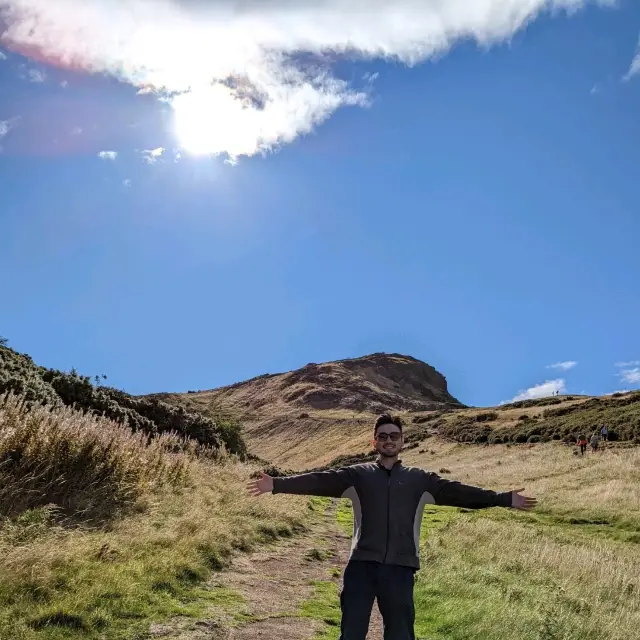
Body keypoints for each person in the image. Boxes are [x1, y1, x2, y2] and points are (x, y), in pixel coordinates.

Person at [247, 414, 537, 640]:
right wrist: (277, 484)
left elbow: (461, 492)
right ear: (374, 442)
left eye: (394, 436)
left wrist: (503, 499)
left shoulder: (420, 480)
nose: (388, 440)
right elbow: (320, 480)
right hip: (361, 566)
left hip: (400, 569)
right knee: (351, 632)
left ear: (402, 442)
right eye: (382, 436)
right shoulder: (358, 475)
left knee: (400, 634)